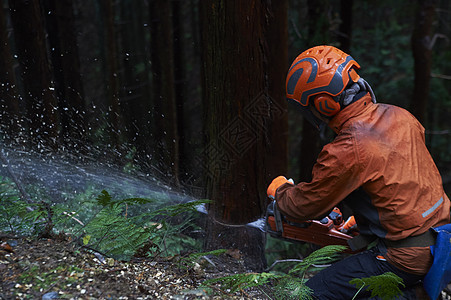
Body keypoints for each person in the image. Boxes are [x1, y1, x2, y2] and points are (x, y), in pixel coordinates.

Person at [267, 45, 450, 299]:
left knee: (305, 295)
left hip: (404, 257)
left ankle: (410, 295)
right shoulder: (401, 116)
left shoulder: (348, 147)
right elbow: (404, 178)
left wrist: (282, 192)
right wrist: (371, 220)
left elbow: (306, 206)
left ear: (324, 104)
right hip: (443, 242)